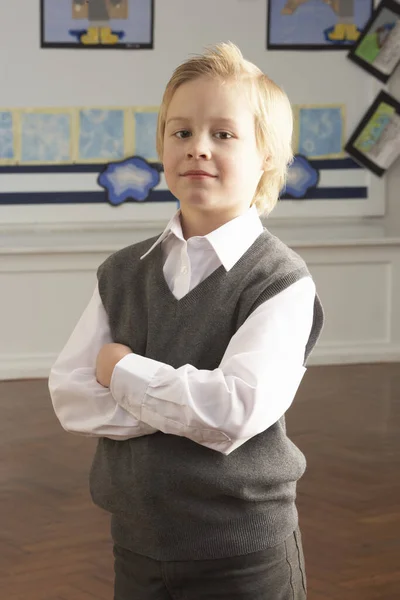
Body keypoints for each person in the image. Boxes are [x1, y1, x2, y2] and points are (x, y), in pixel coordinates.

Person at [49, 42, 324, 599]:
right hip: (136, 544)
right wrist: (183, 408)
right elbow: (71, 396)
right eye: (181, 132)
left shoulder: (281, 281)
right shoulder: (123, 272)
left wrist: (123, 373)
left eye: (223, 134)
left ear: (266, 154)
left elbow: (233, 412)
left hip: (242, 556)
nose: (198, 148)